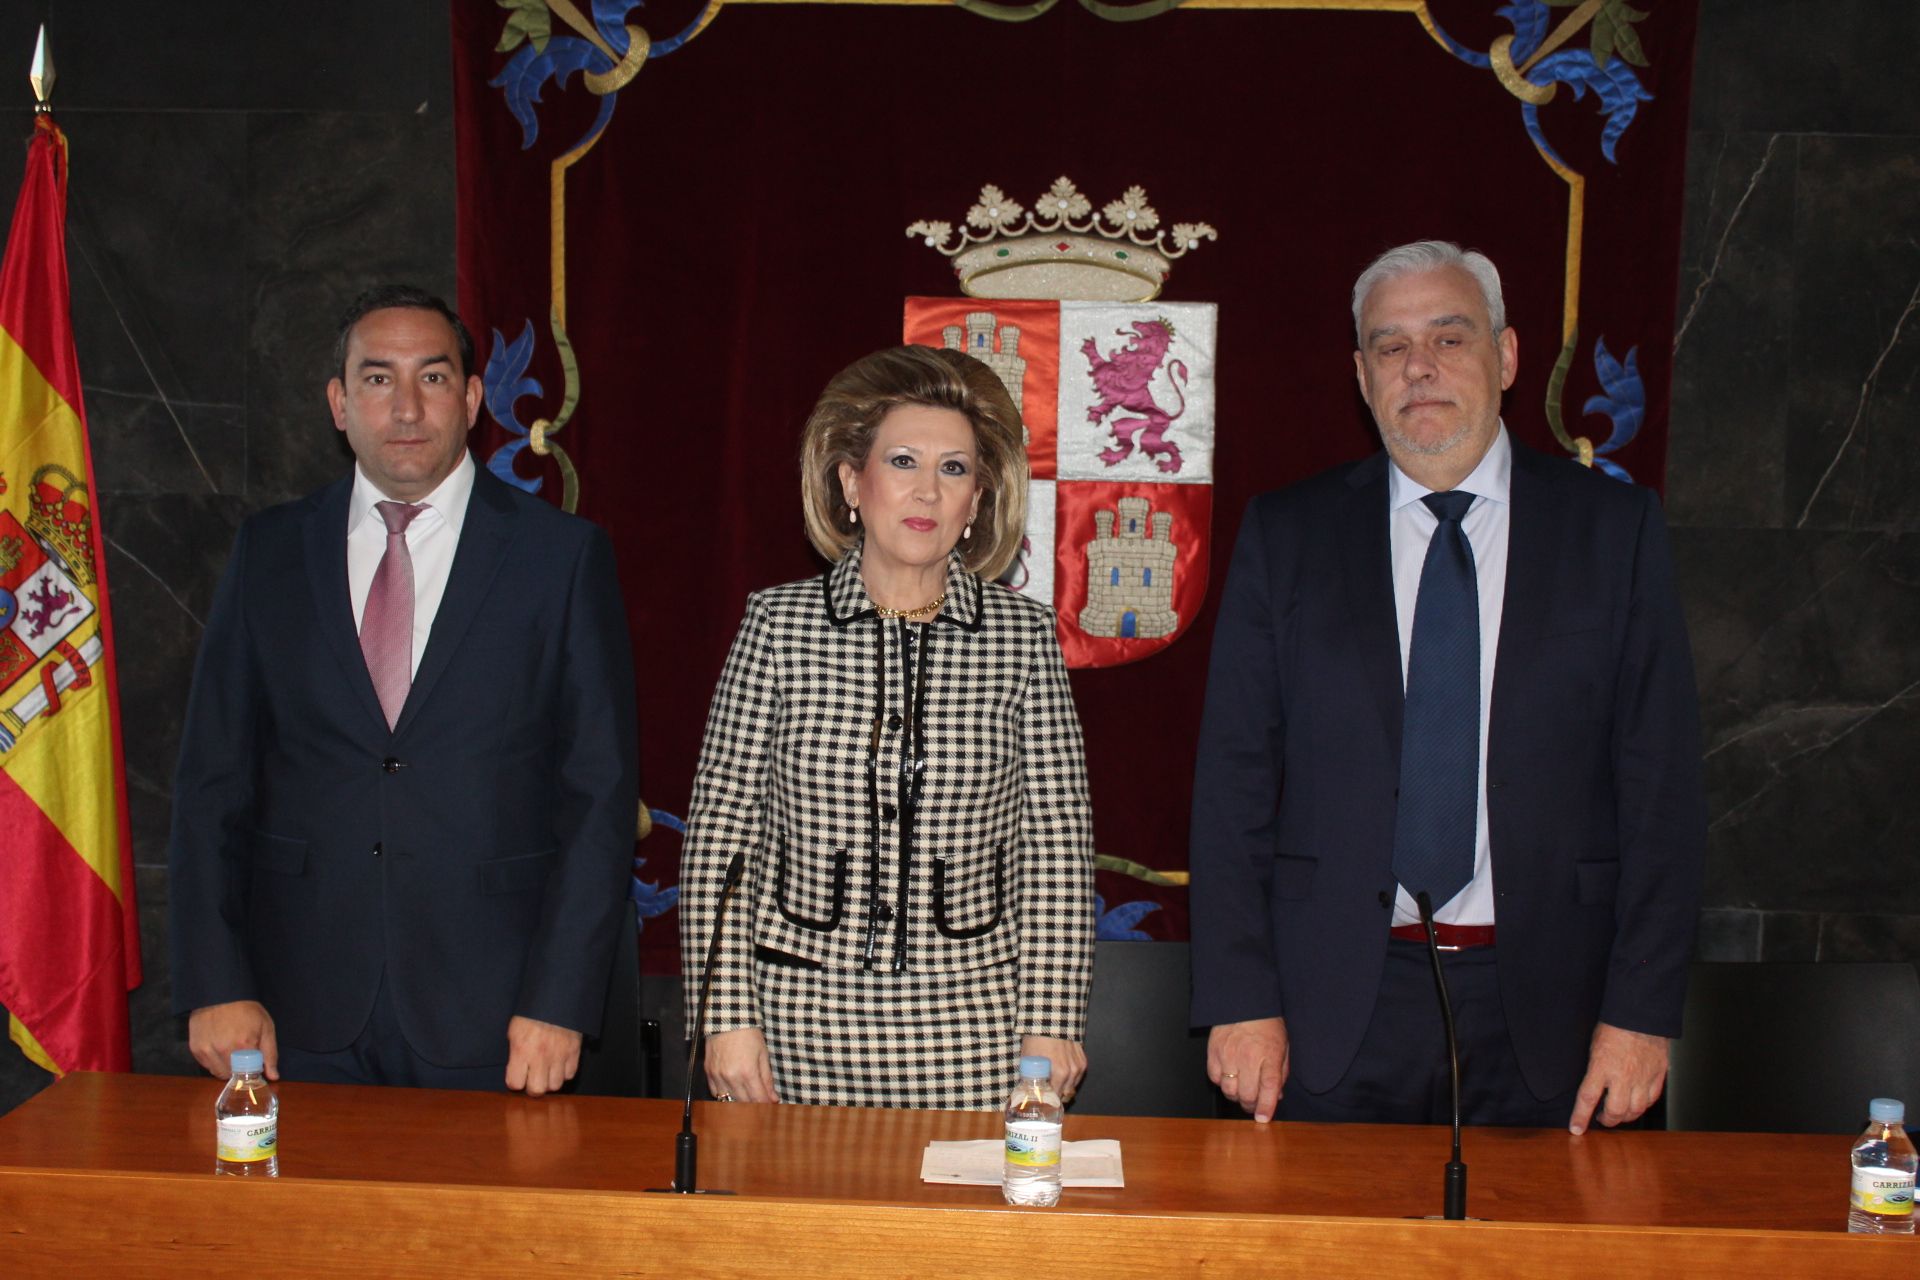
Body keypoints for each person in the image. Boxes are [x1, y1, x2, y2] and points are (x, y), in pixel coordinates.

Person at [1189, 241, 1705, 1132]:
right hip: (1330, 1015)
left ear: (1506, 356)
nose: (1417, 367)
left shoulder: (1613, 532)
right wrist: (1238, 998)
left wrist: (1642, 1014)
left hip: (1559, 1015)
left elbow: (1663, 791)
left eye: (1449, 337)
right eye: (1389, 346)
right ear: (1360, 375)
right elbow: (1233, 783)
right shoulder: (1288, 534)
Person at [168, 285, 638, 1095]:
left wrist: (561, 998)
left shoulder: (560, 560)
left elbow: (597, 794)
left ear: (472, 397)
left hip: (501, 1014)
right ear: (339, 403)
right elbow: (212, 782)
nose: (408, 407)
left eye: (433, 376)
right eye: (379, 379)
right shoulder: (270, 553)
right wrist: (215, 981)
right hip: (295, 1011)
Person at [679, 344, 1095, 1110]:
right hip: (791, 1032)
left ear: (979, 501)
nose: (927, 492)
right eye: (903, 460)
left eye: (955, 470)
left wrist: (1050, 1022)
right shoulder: (778, 626)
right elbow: (720, 835)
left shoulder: (1023, 637)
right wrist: (726, 1018)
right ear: (851, 482)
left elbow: (1056, 846)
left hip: (977, 1035)